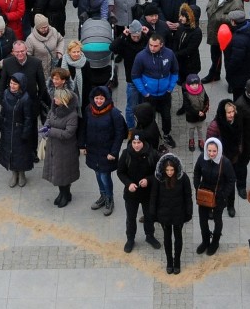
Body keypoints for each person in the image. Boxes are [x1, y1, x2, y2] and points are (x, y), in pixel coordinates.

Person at [82, 86, 127, 216]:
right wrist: (82, 145)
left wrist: (113, 152)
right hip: (93, 149)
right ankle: (103, 195)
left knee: (104, 175)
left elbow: (120, 134)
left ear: (106, 98)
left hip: (107, 152)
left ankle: (109, 198)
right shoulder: (89, 110)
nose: (99, 101)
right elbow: (84, 128)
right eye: (96, 98)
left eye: (101, 98)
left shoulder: (114, 113)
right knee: (97, 174)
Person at [131, 35, 179, 148]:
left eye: (155, 46)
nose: (152, 48)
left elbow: (175, 72)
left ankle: (166, 135)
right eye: (150, 45)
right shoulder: (141, 56)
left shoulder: (169, 54)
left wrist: (170, 88)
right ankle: (150, 139)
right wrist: (144, 92)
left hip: (164, 94)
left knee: (167, 117)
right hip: (149, 95)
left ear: (161, 45)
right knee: (149, 119)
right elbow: (135, 76)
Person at [116, 131, 160, 251]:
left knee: (149, 216)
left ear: (143, 142)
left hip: (147, 193)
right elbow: (120, 172)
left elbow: (158, 173)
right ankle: (130, 239)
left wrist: (148, 180)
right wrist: (128, 183)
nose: (136, 145)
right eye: (134, 142)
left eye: (139, 142)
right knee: (131, 218)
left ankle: (150, 236)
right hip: (131, 194)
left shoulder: (152, 154)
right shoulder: (126, 154)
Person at [150, 153, 193, 274]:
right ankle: (169, 261)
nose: (170, 172)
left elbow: (188, 196)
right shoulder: (159, 179)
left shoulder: (183, 178)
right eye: (167, 170)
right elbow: (154, 196)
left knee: (178, 237)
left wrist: (189, 211)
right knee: (167, 237)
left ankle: (177, 261)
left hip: (178, 213)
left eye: (172, 169)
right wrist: (153, 212)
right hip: (164, 214)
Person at [193, 137, 236, 257]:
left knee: (217, 220)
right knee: (202, 220)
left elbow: (231, 180)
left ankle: (215, 242)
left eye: (214, 151)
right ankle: (205, 241)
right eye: (209, 151)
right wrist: (197, 187)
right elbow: (196, 172)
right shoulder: (202, 158)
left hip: (218, 196)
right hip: (204, 194)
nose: (211, 153)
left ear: (219, 150)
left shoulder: (225, 163)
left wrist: (223, 195)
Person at [40, 87, 80, 208]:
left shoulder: (72, 115)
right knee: (57, 173)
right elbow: (48, 119)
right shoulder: (54, 109)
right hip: (54, 147)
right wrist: (45, 127)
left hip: (66, 149)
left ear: (64, 100)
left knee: (64, 174)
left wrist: (50, 131)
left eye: (57, 97)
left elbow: (68, 133)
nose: (54, 99)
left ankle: (66, 194)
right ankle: (62, 194)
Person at [203, 0, 243, 83]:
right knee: (215, 56)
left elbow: (239, 16)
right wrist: (209, 10)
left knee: (228, 58)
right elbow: (210, 3)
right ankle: (214, 75)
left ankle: (231, 80)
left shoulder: (236, 0)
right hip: (214, 30)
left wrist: (219, 17)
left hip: (227, 33)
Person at [0, 71, 34, 187]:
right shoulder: (5, 93)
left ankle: (22, 173)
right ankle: (14, 173)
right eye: (11, 83)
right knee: (10, 151)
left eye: (15, 84)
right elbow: (3, 110)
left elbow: (28, 118)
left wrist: (25, 133)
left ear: (21, 85)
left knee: (21, 153)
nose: (12, 86)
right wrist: (1, 123)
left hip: (20, 130)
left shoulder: (26, 98)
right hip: (8, 128)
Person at [224, 9, 250, 100]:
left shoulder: (239, 40)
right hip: (248, 69)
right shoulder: (249, 28)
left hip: (240, 75)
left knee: (239, 98)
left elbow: (236, 60)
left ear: (233, 22)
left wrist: (229, 71)